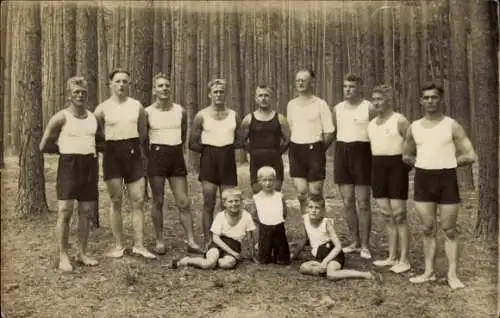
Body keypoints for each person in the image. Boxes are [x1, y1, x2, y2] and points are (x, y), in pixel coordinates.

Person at [403, 82, 476, 289]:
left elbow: (470, 154)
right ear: (420, 101)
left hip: (447, 179)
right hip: (423, 179)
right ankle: (429, 272)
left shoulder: (451, 125)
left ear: (440, 100)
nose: (430, 101)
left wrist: (451, 162)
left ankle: (452, 275)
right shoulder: (414, 127)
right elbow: (406, 154)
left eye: (434, 97)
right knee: (427, 228)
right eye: (426, 98)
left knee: (449, 229)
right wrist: (421, 163)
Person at [94, 68, 156, 259]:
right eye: (118, 81)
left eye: (125, 82)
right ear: (111, 84)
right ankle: (119, 245)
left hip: (133, 154)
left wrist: (131, 147)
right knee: (116, 201)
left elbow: (143, 133)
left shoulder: (137, 106)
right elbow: (97, 133)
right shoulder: (102, 108)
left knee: (137, 200)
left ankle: (139, 244)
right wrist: (110, 148)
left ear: (129, 84)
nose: (121, 85)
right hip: (112, 156)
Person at [39, 76, 99, 272]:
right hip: (68, 165)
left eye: (83, 92)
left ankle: (82, 253)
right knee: (65, 210)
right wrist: (64, 150)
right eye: (76, 92)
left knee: (86, 211)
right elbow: (44, 144)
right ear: (69, 95)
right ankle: (63, 255)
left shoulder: (93, 118)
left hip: (89, 164)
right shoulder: (61, 117)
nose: (80, 95)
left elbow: (100, 141)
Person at [145, 73, 202, 255]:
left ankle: (191, 240)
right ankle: (159, 240)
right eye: (160, 86)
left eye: (167, 86)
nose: (164, 89)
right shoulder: (148, 112)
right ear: (154, 90)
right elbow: (143, 138)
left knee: (184, 202)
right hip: (156, 157)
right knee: (158, 200)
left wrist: (177, 150)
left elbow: (184, 133)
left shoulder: (180, 110)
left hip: (176, 155)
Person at [189, 79, 244, 246]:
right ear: (210, 94)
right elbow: (192, 142)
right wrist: (208, 151)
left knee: (228, 202)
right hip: (209, 160)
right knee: (209, 202)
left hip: (227, 159)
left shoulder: (234, 115)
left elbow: (240, 139)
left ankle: (226, 238)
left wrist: (226, 148)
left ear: (225, 94)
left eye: (221, 91)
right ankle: (208, 240)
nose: (219, 94)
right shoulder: (201, 115)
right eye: (215, 92)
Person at [367, 85, 411, 273]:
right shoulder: (371, 125)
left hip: (397, 168)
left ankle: (405, 259)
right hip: (378, 168)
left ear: (389, 100)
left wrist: (404, 167)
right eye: (374, 99)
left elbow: (412, 143)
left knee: (399, 214)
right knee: (386, 214)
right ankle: (392, 256)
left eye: (380, 99)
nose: (376, 102)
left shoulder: (399, 120)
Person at [333, 73, 376, 260]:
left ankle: (366, 245)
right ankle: (355, 241)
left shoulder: (369, 107)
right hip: (342, 151)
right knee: (348, 200)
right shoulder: (337, 108)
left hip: (363, 152)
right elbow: (337, 130)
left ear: (359, 88)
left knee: (363, 202)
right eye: (345, 86)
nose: (347, 90)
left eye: (351, 86)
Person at [290, 195, 374, 281]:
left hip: (332, 253)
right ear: (306, 209)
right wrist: (294, 255)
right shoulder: (305, 219)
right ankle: (324, 269)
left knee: (331, 275)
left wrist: (326, 261)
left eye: (317, 208)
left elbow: (338, 246)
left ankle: (365, 274)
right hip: (319, 255)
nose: (313, 210)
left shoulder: (326, 223)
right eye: (310, 207)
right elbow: (304, 239)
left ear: (323, 210)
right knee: (303, 268)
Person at [286, 69, 335, 214]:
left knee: (315, 193)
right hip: (296, 150)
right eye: (298, 80)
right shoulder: (291, 105)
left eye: (304, 80)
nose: (300, 83)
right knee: (302, 193)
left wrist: (318, 149)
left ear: (311, 82)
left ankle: (320, 232)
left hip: (315, 150)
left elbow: (330, 131)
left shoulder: (320, 104)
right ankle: (308, 232)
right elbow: (290, 129)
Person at [177, 188, 257, 269]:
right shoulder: (220, 216)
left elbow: (250, 238)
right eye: (230, 201)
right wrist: (233, 253)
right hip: (218, 244)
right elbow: (215, 238)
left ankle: (214, 260)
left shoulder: (246, 216)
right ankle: (188, 260)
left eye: (236, 200)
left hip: (234, 245)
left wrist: (252, 255)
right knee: (208, 264)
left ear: (241, 201)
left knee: (227, 264)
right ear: (224, 203)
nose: (234, 204)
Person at [240, 85, 290, 193]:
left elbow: (288, 140)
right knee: (258, 195)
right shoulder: (248, 119)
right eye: (260, 95)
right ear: (256, 98)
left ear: (271, 98)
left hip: (275, 161)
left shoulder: (280, 118)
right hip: (256, 161)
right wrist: (253, 151)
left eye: (266, 95)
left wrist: (278, 152)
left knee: (275, 194)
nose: (263, 98)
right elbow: (241, 140)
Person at [250, 166, 290, 265]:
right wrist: (262, 222)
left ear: (275, 181)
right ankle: (263, 250)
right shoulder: (257, 197)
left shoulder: (279, 196)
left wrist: (278, 220)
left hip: (279, 226)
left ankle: (280, 255)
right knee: (263, 259)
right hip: (264, 228)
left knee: (283, 259)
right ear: (259, 181)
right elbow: (254, 214)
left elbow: (284, 212)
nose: (268, 183)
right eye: (264, 180)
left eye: (270, 180)